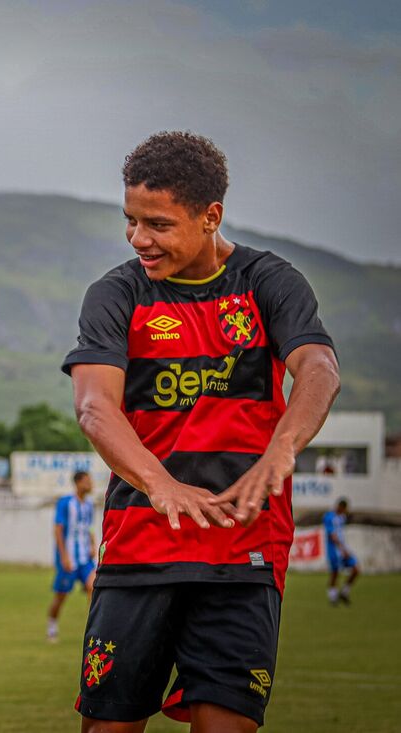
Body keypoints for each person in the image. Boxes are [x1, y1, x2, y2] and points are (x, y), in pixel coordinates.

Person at [62, 131, 340, 732]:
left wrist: (280, 452)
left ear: (210, 215)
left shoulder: (268, 282)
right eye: (131, 220)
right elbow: (94, 407)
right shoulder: (117, 293)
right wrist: (161, 485)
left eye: (158, 224)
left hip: (242, 553)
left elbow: (318, 370)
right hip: (140, 547)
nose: (140, 239)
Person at [46, 471, 96, 642]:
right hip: (69, 559)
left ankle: (95, 630)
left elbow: (87, 528)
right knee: (61, 596)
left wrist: (92, 545)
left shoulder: (89, 505)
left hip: (85, 559)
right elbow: (58, 530)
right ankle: (52, 626)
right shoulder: (66, 503)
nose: (91, 484)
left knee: (94, 587)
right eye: (87, 481)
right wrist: (64, 556)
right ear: (78, 483)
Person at [324, 498, 359, 605]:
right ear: (340, 507)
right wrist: (342, 549)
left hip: (343, 548)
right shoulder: (329, 517)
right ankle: (333, 597)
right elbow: (332, 535)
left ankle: (344, 592)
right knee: (335, 573)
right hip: (334, 550)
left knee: (356, 569)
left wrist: (344, 548)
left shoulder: (342, 517)